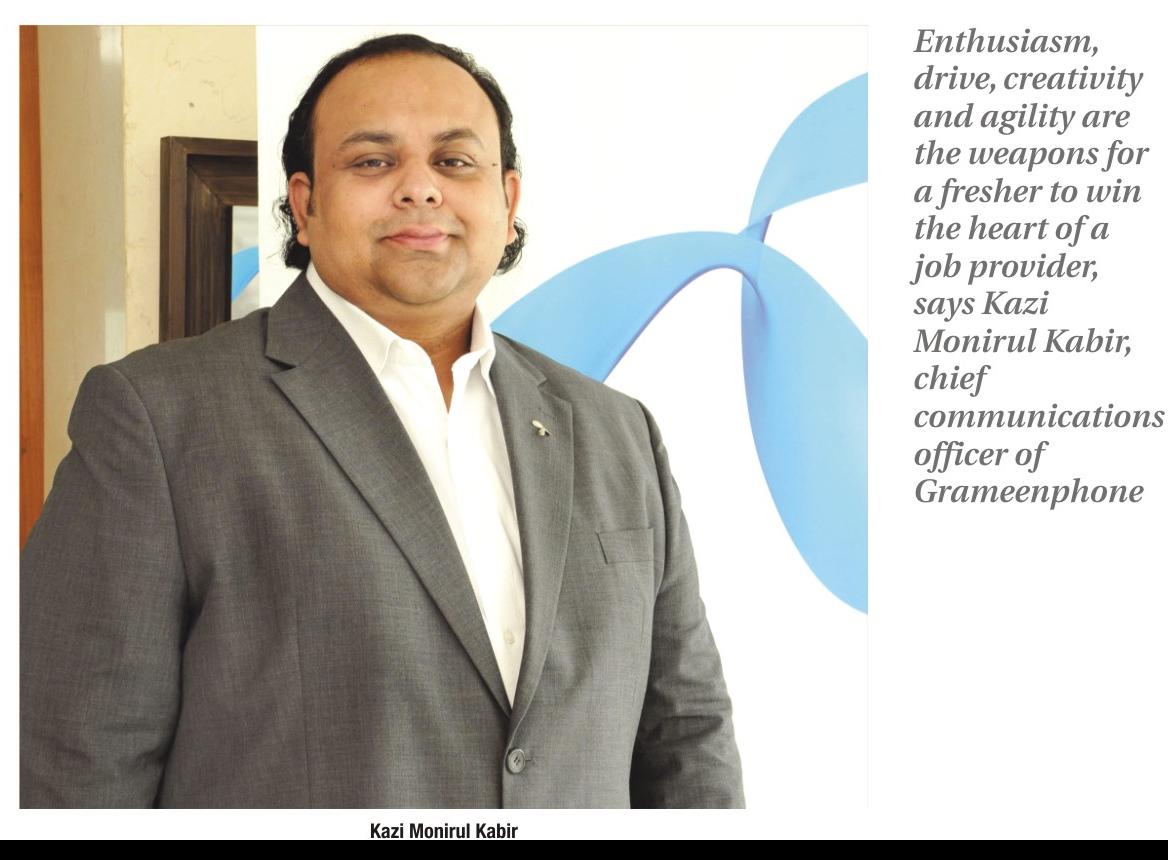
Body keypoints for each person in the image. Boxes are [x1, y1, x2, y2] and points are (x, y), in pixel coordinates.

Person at [20, 33, 744, 809]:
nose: (420, 189)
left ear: (508, 201)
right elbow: (74, 767)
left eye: (455, 161)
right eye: (372, 161)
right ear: (304, 205)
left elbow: (688, 735)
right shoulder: (160, 418)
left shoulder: (616, 431)